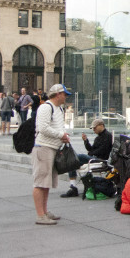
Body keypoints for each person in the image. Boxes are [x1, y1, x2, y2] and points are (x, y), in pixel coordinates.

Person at [32, 84, 71, 225]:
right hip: (44, 147)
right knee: (40, 181)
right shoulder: (46, 107)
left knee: (46, 182)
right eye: (64, 94)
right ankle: (40, 215)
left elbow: (55, 127)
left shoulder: (58, 109)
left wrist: (62, 136)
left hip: (52, 148)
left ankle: (44, 211)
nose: (66, 97)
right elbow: (42, 128)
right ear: (57, 94)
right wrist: (61, 134)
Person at [61, 118, 114, 198]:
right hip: (94, 158)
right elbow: (91, 149)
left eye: (95, 128)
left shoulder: (108, 136)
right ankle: (72, 187)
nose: (94, 130)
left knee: (78, 157)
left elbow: (102, 150)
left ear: (101, 126)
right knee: (72, 161)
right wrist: (86, 141)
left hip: (100, 160)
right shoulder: (98, 137)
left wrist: (90, 153)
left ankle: (73, 187)